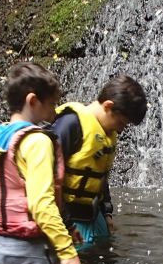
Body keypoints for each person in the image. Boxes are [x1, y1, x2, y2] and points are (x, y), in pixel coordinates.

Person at [0, 61, 85, 264]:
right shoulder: (37, 142)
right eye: (52, 104)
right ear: (33, 101)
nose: (55, 111)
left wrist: (68, 227)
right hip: (29, 251)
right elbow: (42, 204)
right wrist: (67, 252)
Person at [52, 75, 147, 247]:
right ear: (108, 106)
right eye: (121, 123)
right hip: (69, 219)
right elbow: (48, 180)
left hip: (94, 216)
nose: (120, 130)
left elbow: (99, 176)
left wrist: (107, 213)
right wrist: (66, 225)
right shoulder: (70, 124)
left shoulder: (106, 133)